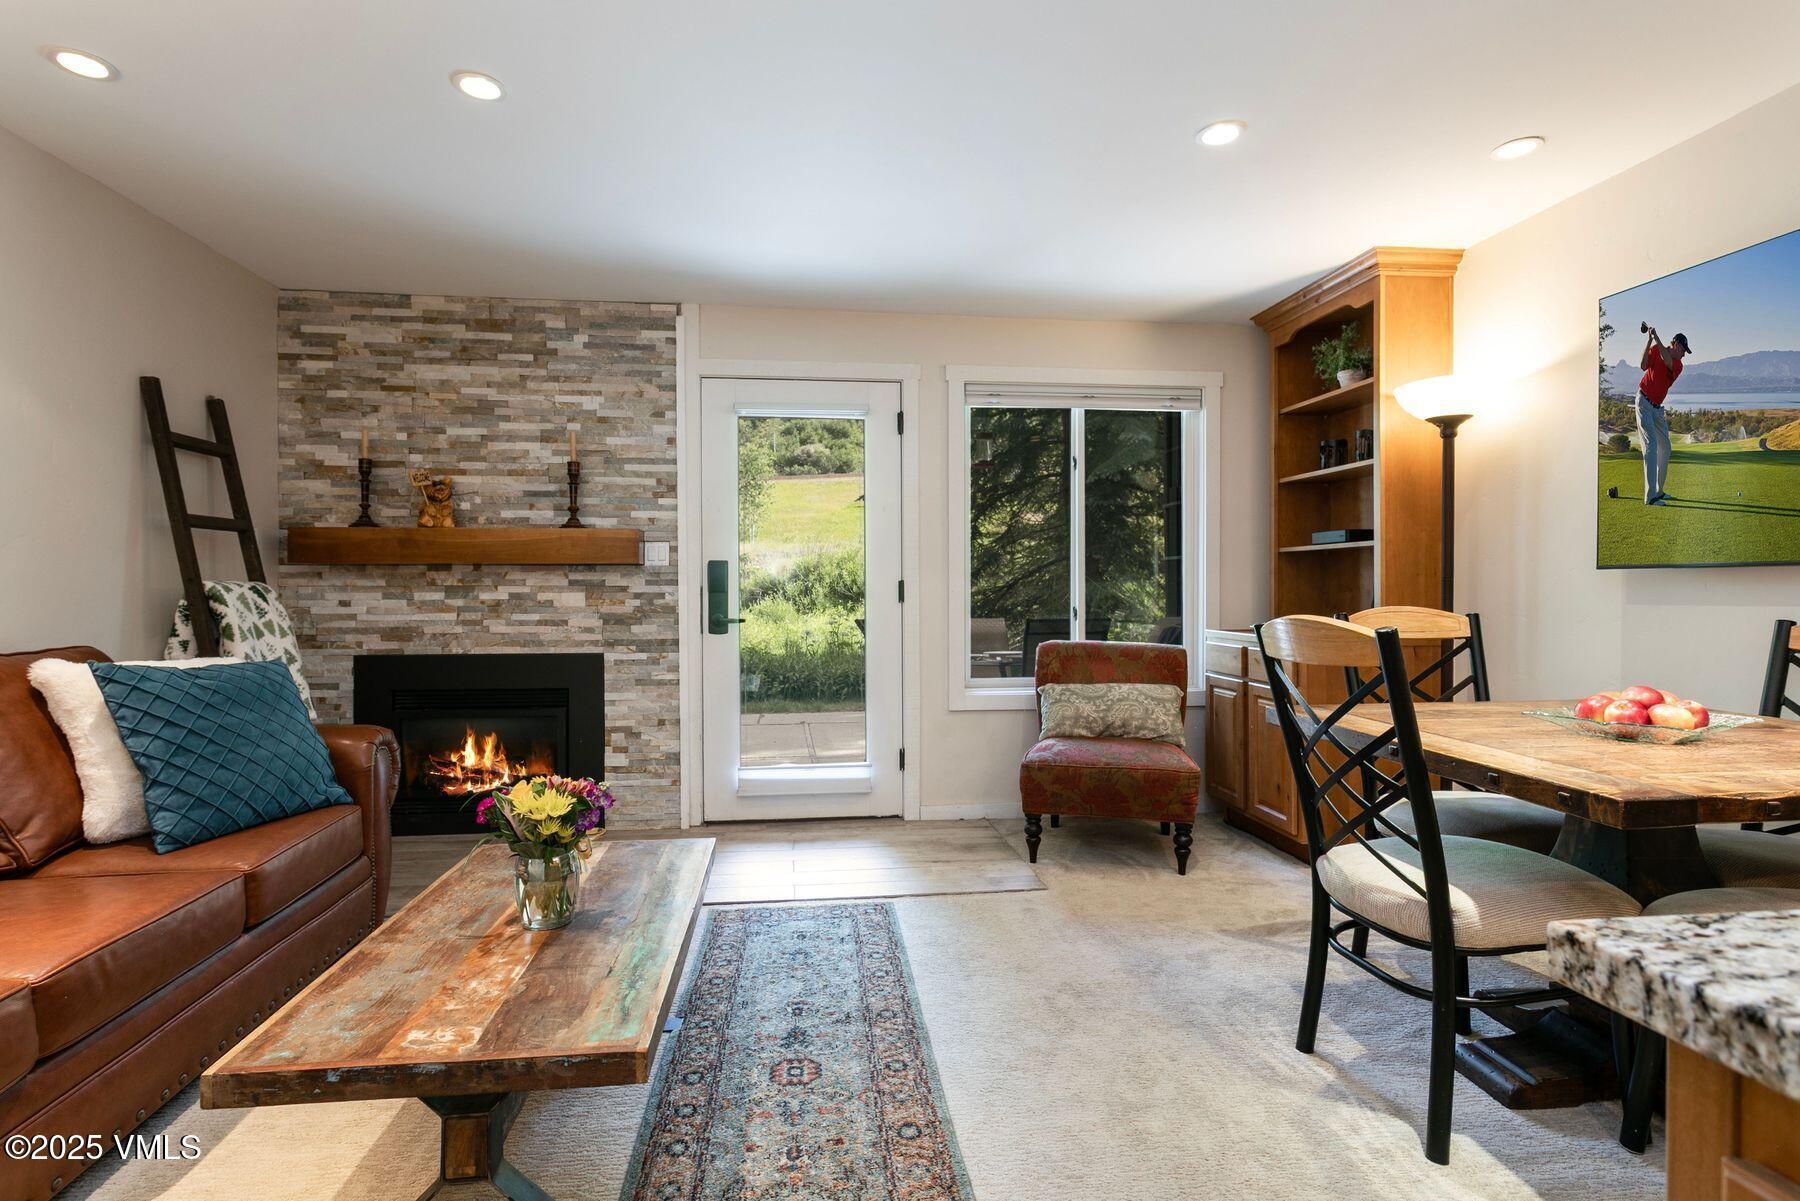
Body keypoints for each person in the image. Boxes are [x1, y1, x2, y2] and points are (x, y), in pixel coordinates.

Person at [1636, 326, 1690, 504]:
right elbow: (1643, 365)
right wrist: (1649, 340)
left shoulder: (1678, 365)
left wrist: (1656, 337)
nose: (1684, 355)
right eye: (1683, 350)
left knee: (1665, 447)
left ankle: (1658, 491)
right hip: (1644, 403)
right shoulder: (1655, 349)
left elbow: (1667, 360)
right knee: (1651, 446)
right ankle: (1650, 496)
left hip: (1657, 409)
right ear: (1675, 345)